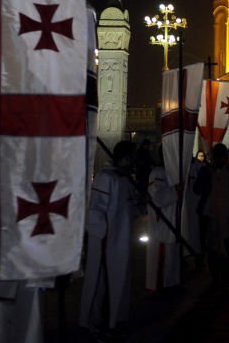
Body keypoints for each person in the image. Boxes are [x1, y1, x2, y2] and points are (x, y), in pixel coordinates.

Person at [79, 141, 143, 333]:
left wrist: (141, 203)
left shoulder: (123, 179)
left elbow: (129, 209)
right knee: (105, 284)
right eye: (131, 157)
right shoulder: (106, 178)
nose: (133, 161)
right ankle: (100, 323)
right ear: (123, 157)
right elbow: (96, 210)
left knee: (118, 282)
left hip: (120, 242)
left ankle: (115, 320)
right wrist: (105, 233)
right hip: (107, 244)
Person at [195, 143, 229, 297]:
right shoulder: (214, 171)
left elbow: (197, 189)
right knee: (219, 248)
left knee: (217, 249)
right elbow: (198, 189)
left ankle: (219, 281)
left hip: (218, 213)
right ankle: (220, 281)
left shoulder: (215, 171)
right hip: (218, 213)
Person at [145, 145, 181, 291]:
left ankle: (172, 283)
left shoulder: (173, 172)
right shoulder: (158, 173)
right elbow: (158, 198)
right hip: (163, 223)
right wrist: (175, 191)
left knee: (172, 255)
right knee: (163, 256)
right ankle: (162, 286)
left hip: (173, 219)